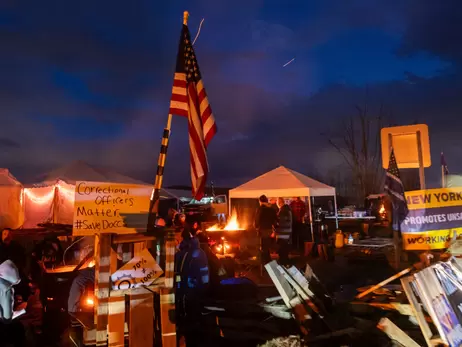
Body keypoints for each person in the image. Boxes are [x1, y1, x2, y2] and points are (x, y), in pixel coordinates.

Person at [175, 233, 210, 347]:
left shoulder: (181, 254)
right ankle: (194, 330)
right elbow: (204, 272)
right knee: (193, 309)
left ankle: (187, 328)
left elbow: (177, 272)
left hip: (184, 287)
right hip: (194, 287)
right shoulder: (200, 253)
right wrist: (205, 286)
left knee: (185, 309)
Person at [254, 195, 277, 264]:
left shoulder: (260, 209)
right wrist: (274, 230)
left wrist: (256, 227)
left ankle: (265, 262)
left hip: (262, 230)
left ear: (260, 201)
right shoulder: (271, 209)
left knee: (263, 247)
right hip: (269, 230)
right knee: (267, 246)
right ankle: (267, 261)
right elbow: (275, 220)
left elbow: (257, 220)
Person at [276, 198, 292, 266]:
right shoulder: (288, 210)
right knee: (285, 249)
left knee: (282, 250)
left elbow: (280, 222)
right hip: (287, 232)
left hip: (282, 233)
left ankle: (283, 264)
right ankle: (286, 263)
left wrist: (275, 227)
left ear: (279, 203)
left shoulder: (283, 211)